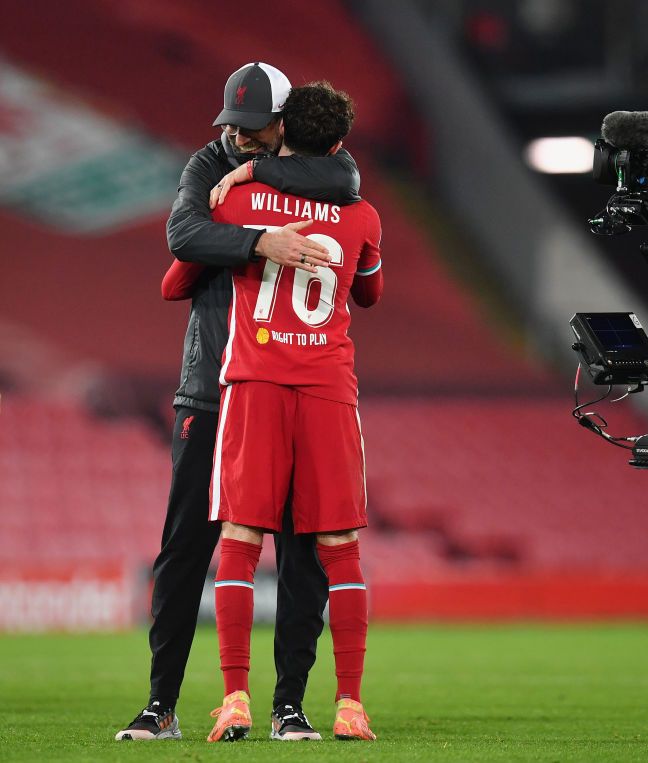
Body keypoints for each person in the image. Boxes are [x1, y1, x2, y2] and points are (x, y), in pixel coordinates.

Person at [116, 62, 362, 742]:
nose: (239, 141)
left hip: (283, 383)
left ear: (285, 126)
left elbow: (348, 182)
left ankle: (290, 704)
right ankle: (160, 703)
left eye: (254, 132)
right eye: (234, 128)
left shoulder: (301, 172)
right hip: (212, 387)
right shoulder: (209, 166)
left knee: (300, 546)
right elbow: (181, 238)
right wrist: (258, 238)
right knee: (185, 545)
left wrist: (255, 184)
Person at [199, 81, 382, 744]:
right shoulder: (363, 215)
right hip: (329, 388)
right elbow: (371, 292)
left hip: (256, 381)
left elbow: (183, 264)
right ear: (336, 144)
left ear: (281, 134)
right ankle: (351, 703)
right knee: (341, 548)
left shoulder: (240, 198)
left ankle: (235, 697)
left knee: (242, 541)